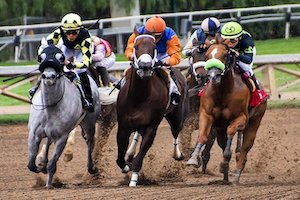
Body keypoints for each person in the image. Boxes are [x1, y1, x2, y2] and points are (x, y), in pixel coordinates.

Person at [29, 13, 94, 112]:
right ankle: (36, 88)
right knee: (50, 66)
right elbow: (44, 47)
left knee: (81, 71)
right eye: (67, 33)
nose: (71, 36)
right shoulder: (58, 32)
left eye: (74, 33)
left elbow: (86, 63)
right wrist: (42, 57)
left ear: (79, 30)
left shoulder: (86, 39)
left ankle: (89, 99)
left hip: (80, 50)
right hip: (67, 48)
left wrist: (73, 65)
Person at [124, 16, 181, 104]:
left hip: (162, 54)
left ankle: (174, 91)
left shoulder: (170, 34)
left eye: (157, 36)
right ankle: (121, 86)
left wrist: (166, 62)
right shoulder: (138, 33)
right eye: (150, 35)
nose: (154, 39)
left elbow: (175, 56)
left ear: (163, 33)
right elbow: (129, 49)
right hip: (144, 54)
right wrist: (131, 56)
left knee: (167, 71)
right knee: (128, 71)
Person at [220, 21, 262, 99]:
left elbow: (248, 60)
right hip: (228, 51)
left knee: (246, 68)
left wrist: (237, 54)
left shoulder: (247, 41)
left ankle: (257, 89)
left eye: (232, 40)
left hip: (243, 52)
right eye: (226, 39)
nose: (229, 43)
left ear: (239, 37)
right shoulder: (221, 36)